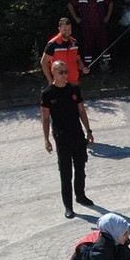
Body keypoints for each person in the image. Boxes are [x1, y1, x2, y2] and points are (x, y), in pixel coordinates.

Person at [41, 59, 95, 218]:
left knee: (80, 168)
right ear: (53, 72)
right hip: (61, 137)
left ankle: (81, 195)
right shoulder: (48, 94)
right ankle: (68, 206)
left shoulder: (74, 89)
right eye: (61, 72)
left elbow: (82, 111)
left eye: (66, 72)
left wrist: (89, 130)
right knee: (65, 173)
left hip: (77, 134)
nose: (64, 75)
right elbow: (45, 119)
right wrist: (46, 139)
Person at [67, 0, 114, 70]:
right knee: (87, 46)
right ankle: (87, 68)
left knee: (104, 44)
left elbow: (111, 3)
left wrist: (107, 16)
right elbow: (69, 5)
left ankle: (107, 66)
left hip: (101, 25)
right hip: (86, 26)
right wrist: (76, 18)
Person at [41, 17, 89, 86]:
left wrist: (83, 68)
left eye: (69, 29)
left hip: (74, 82)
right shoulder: (53, 44)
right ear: (59, 29)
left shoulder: (74, 43)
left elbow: (78, 60)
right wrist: (50, 81)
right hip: (59, 83)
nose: (67, 32)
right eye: (64, 29)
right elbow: (44, 62)